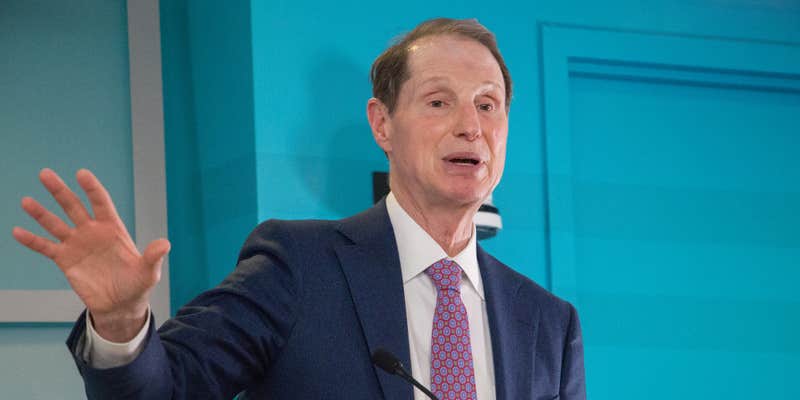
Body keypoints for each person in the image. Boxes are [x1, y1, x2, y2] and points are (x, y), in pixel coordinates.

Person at [12, 18, 585, 400]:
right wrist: (119, 325)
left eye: (488, 105)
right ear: (381, 124)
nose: (470, 126)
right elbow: (168, 388)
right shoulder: (297, 265)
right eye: (439, 101)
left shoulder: (549, 325)